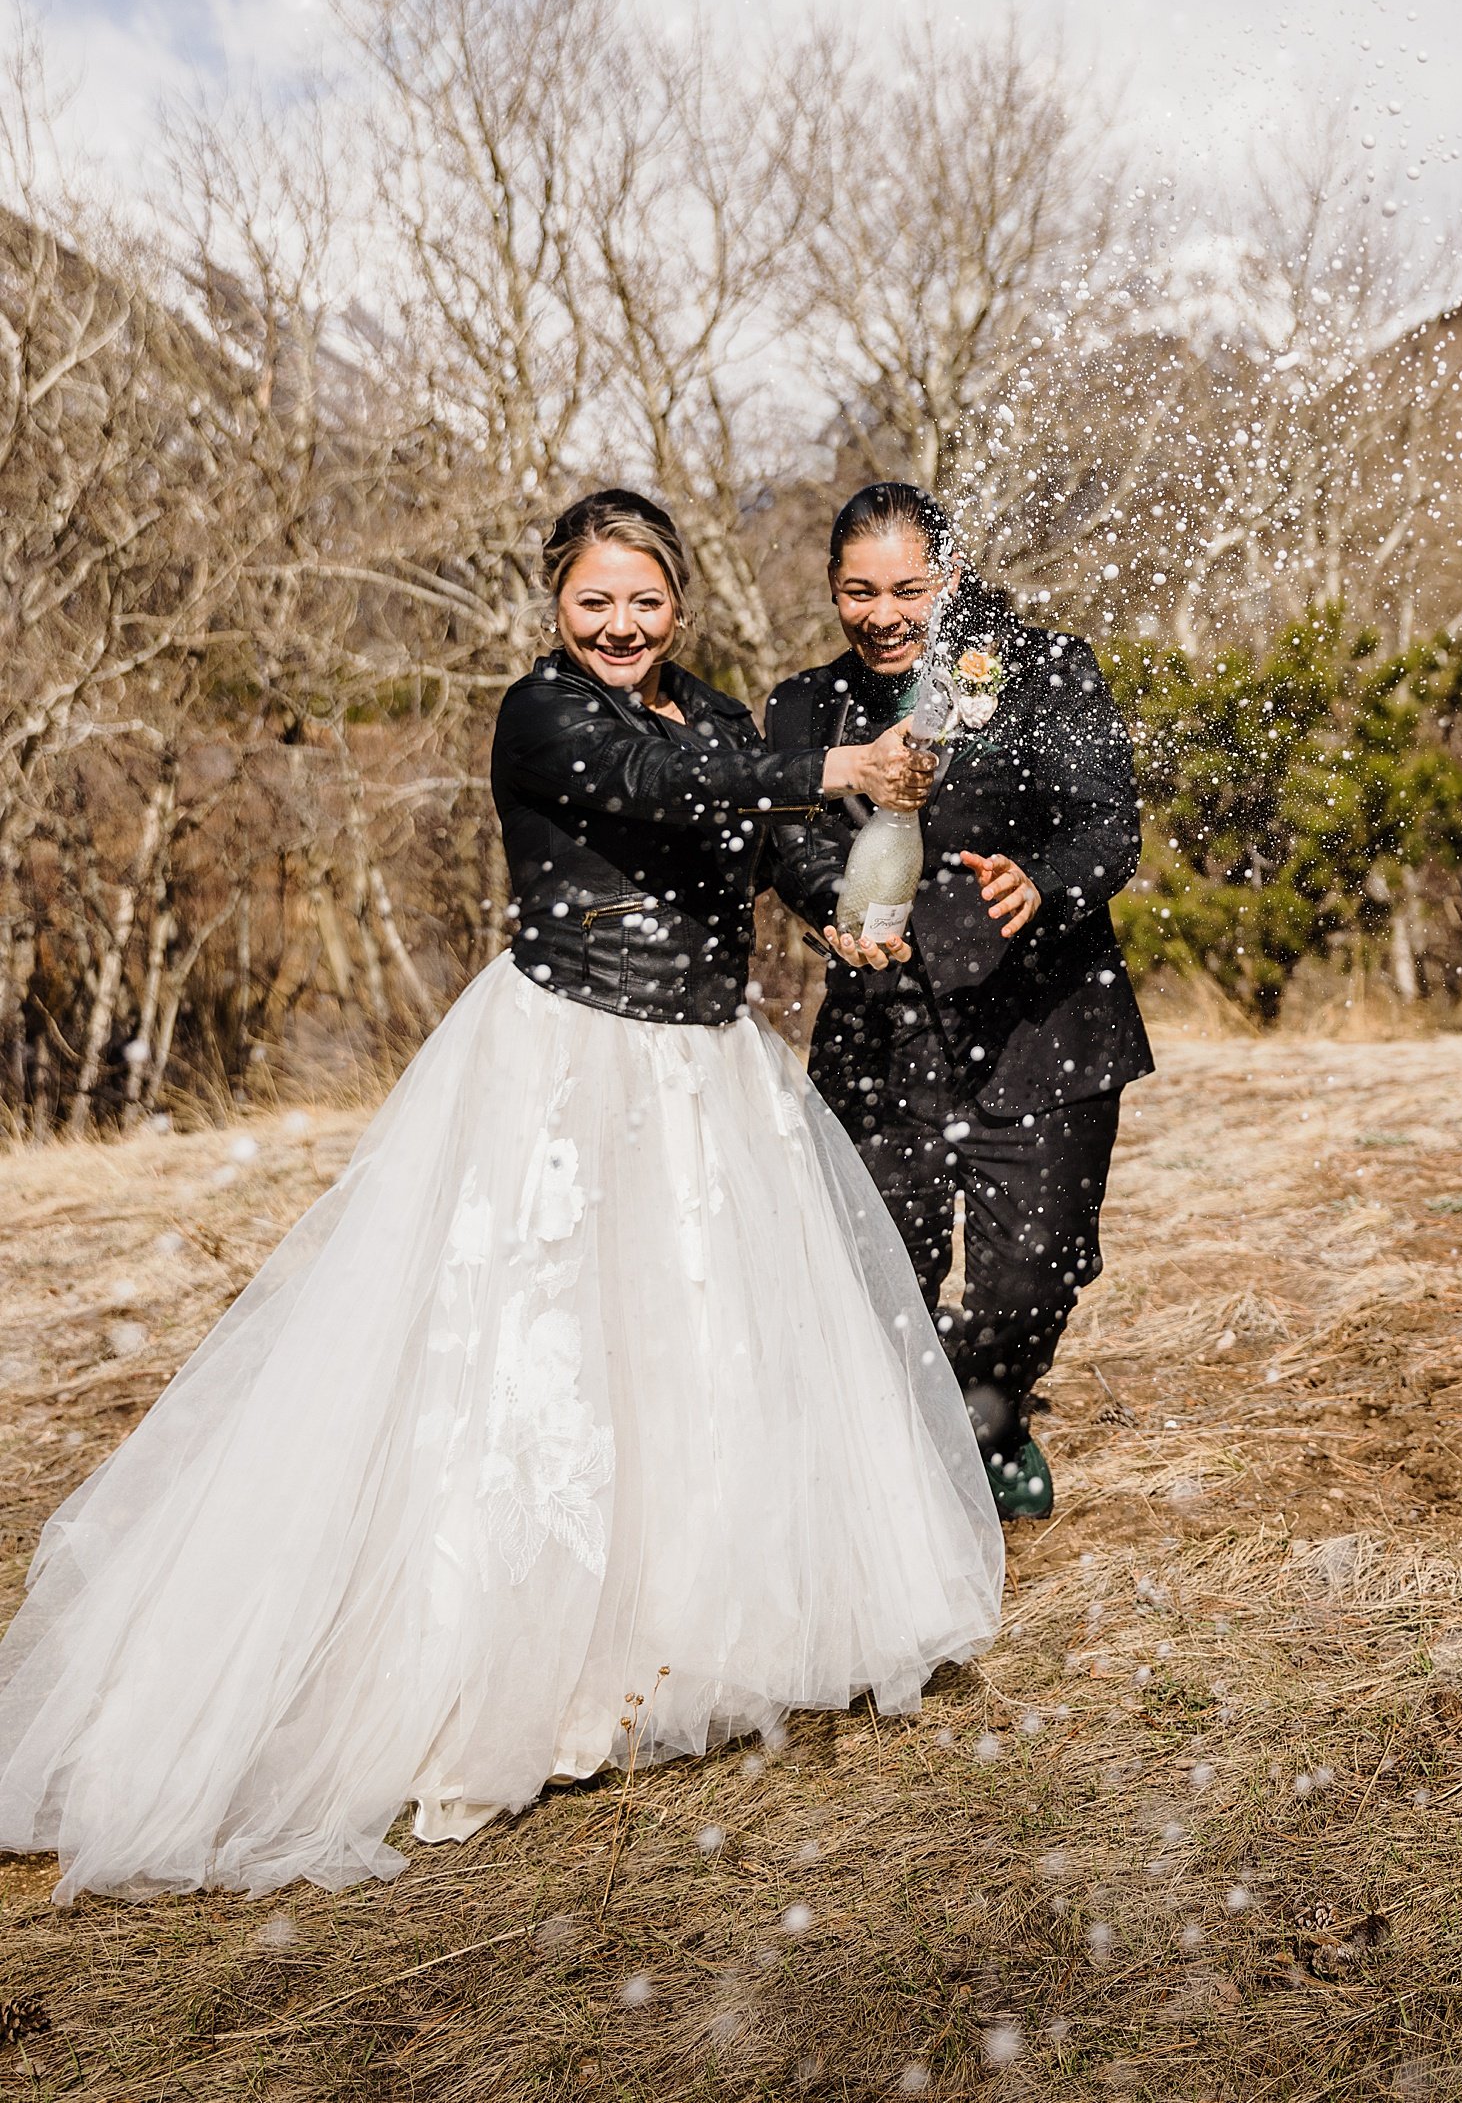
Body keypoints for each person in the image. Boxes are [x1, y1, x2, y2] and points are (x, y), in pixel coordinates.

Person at [0, 489, 1001, 1905]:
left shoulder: (708, 707)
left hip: (705, 1071)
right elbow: (673, 794)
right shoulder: (542, 717)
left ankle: (671, 1640)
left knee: (690, 1355)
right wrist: (843, 754)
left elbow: (757, 829)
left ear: (680, 604)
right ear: (555, 601)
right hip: (566, 1067)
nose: (620, 624)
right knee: (536, 1360)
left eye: (644, 600)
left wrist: (839, 893)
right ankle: (495, 1662)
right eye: (595, 600)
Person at [766, 483, 1153, 1520]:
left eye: (909, 587)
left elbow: (1109, 823)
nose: (883, 612)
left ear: (951, 580)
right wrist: (823, 900)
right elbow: (791, 838)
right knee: (877, 1272)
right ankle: (915, 1483)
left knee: (1037, 1273)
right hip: (879, 1043)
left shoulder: (1045, 669)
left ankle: (990, 1411)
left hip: (1043, 1027)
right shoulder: (806, 706)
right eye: (858, 590)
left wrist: (1046, 881)